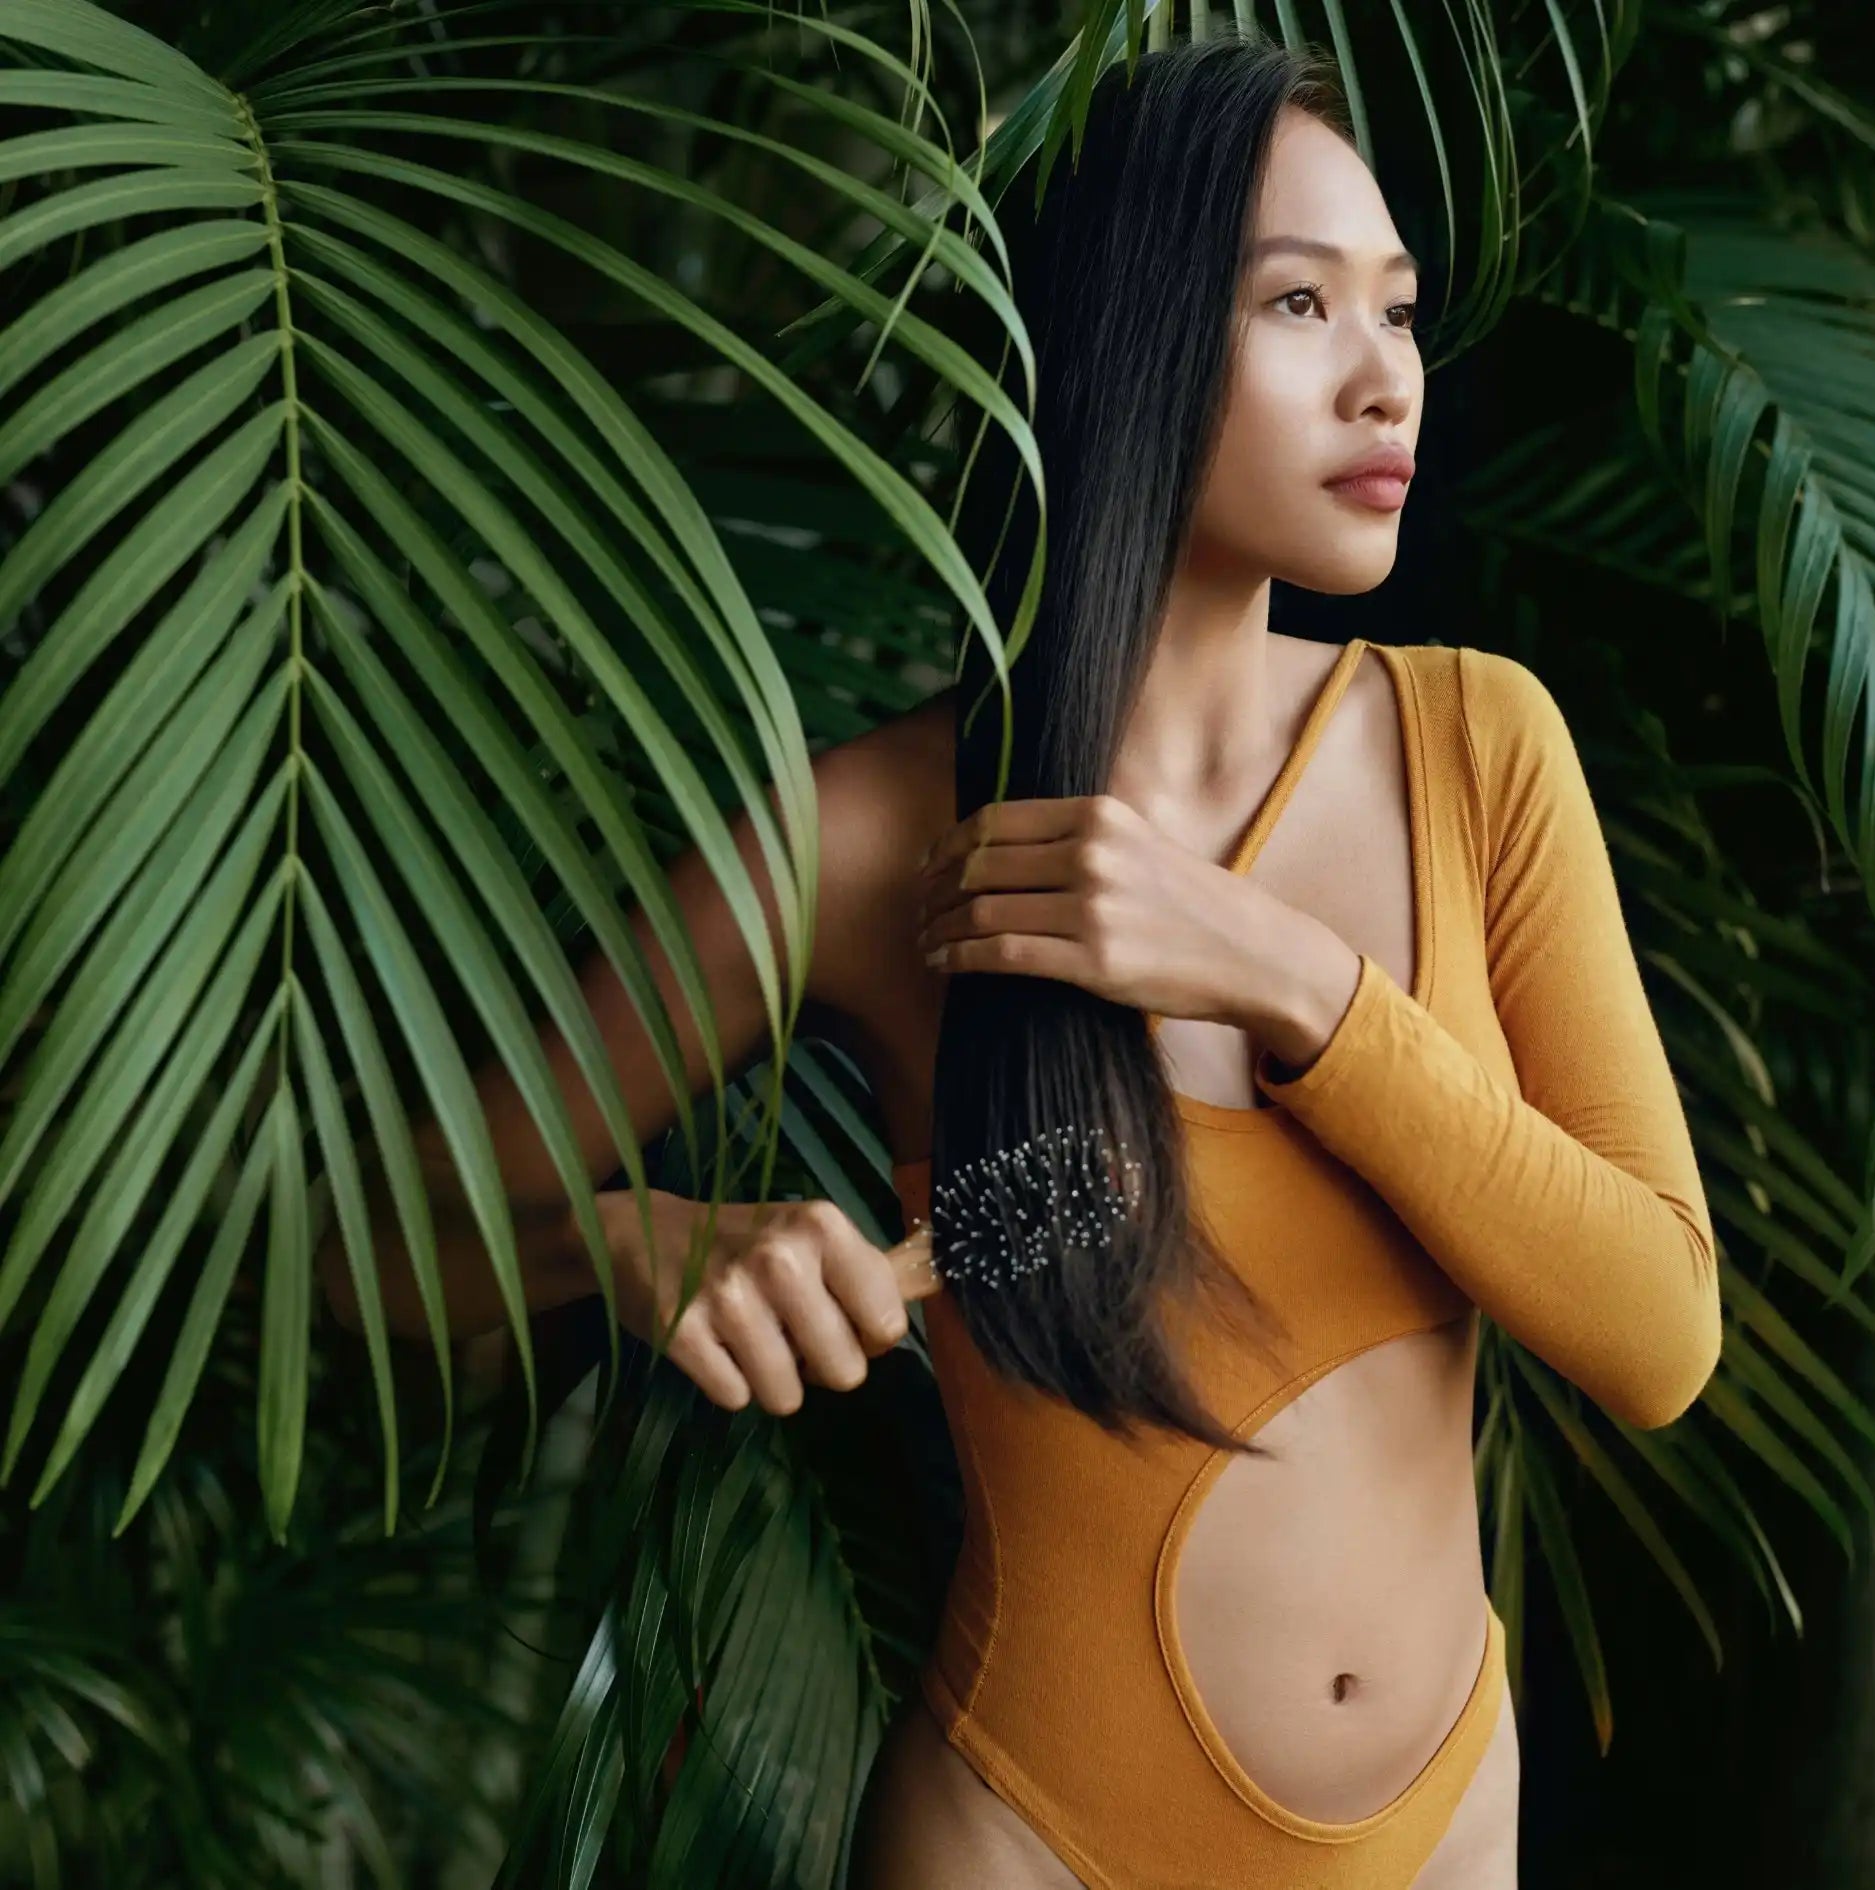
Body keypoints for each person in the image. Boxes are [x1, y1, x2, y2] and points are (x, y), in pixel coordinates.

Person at [321, 32, 1721, 1890]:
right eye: (1299, 304)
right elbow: (368, 1240)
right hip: (1024, 1841)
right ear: (1134, 338)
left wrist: (1297, 987)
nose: (1385, 376)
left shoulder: (1480, 747)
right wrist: (634, 1238)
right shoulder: (873, 842)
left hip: (1445, 1833)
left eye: (1393, 309)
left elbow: (1659, 1332)